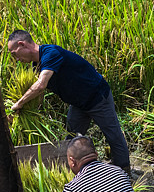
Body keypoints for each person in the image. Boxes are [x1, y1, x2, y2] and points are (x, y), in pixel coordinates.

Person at [7, 30, 131, 174]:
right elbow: (40, 91)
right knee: (71, 138)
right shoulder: (37, 65)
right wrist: (25, 110)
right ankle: (72, 171)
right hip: (78, 103)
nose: (16, 59)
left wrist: (19, 103)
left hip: (96, 97)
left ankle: (124, 171)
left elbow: (40, 85)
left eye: (14, 53)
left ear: (22, 44)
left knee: (113, 135)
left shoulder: (50, 53)